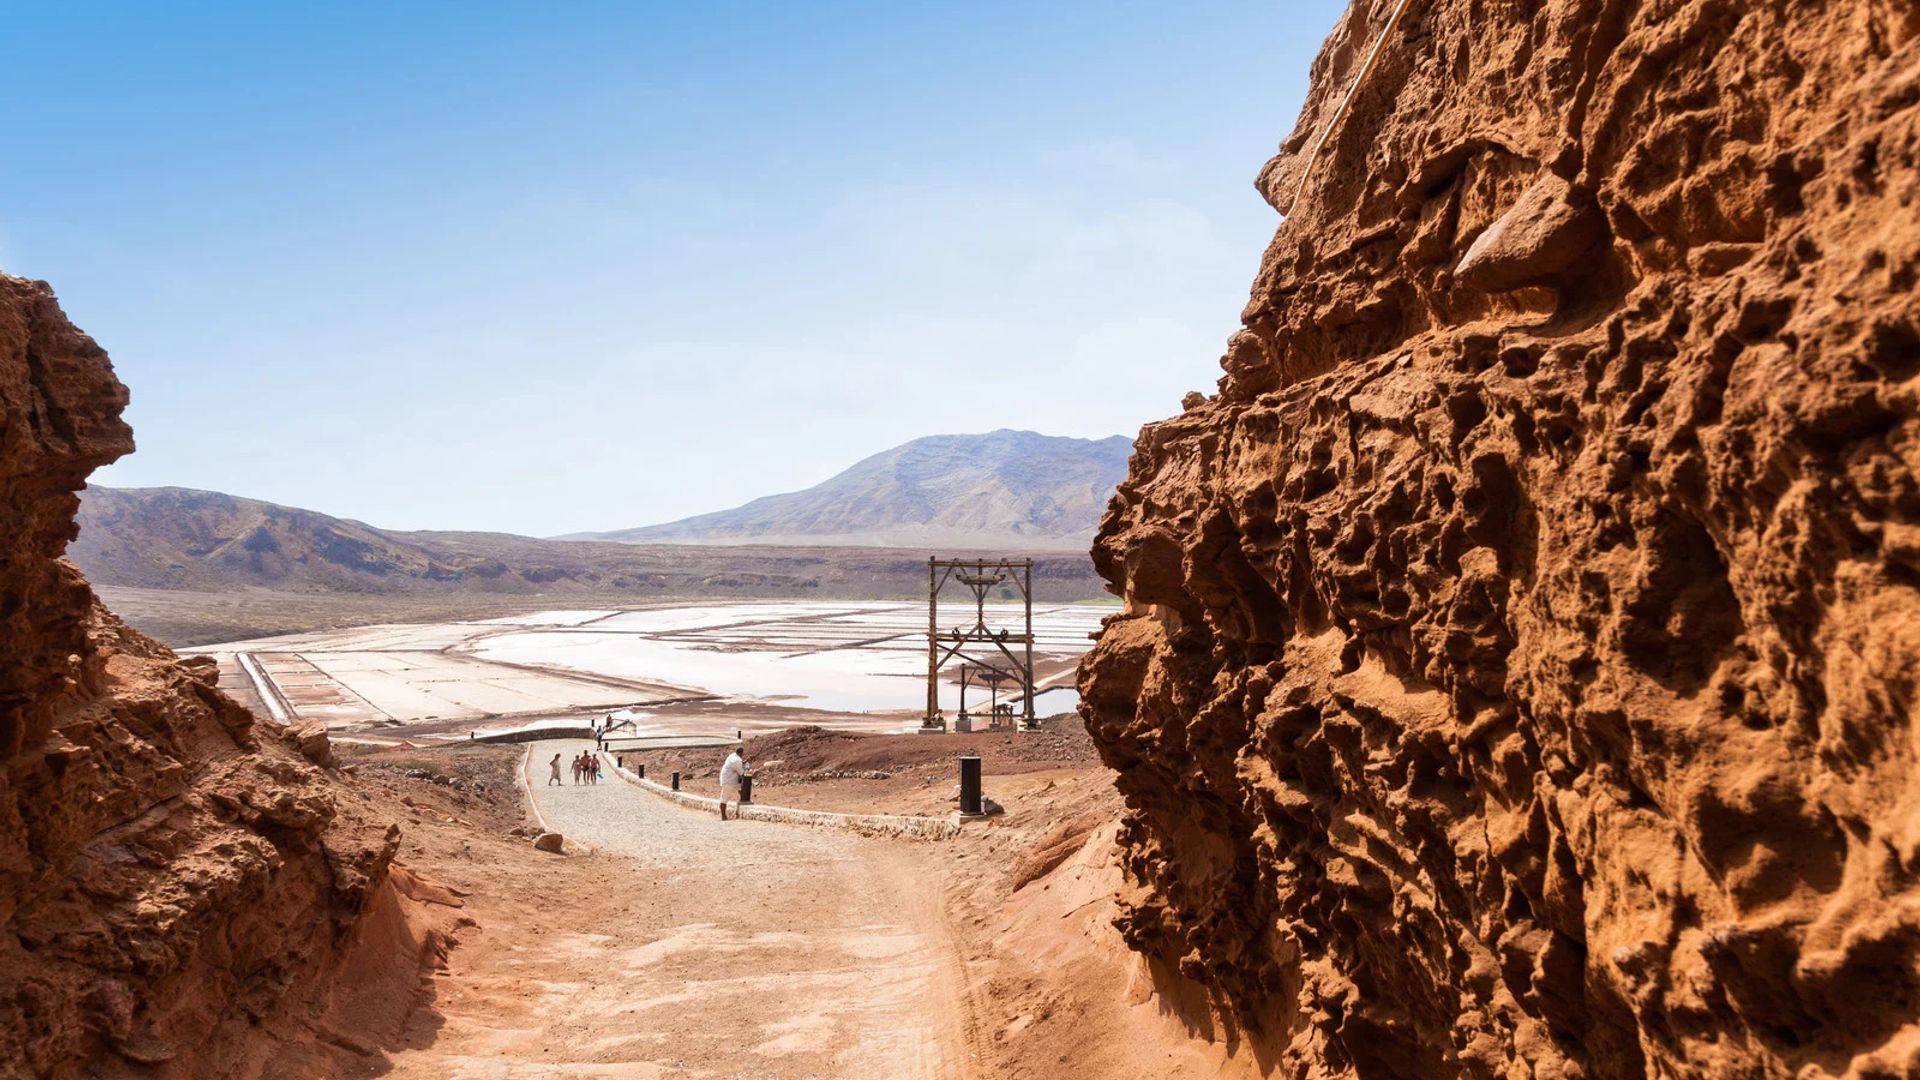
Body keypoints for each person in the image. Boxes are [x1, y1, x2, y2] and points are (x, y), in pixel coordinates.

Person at [718, 745, 747, 814]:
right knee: (724, 799)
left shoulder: (732, 756)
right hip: (729, 781)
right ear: (741, 753)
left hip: (729, 779)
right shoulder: (737, 761)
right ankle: (723, 815)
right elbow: (741, 773)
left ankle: (743, 802)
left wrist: (742, 762)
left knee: (742, 790)